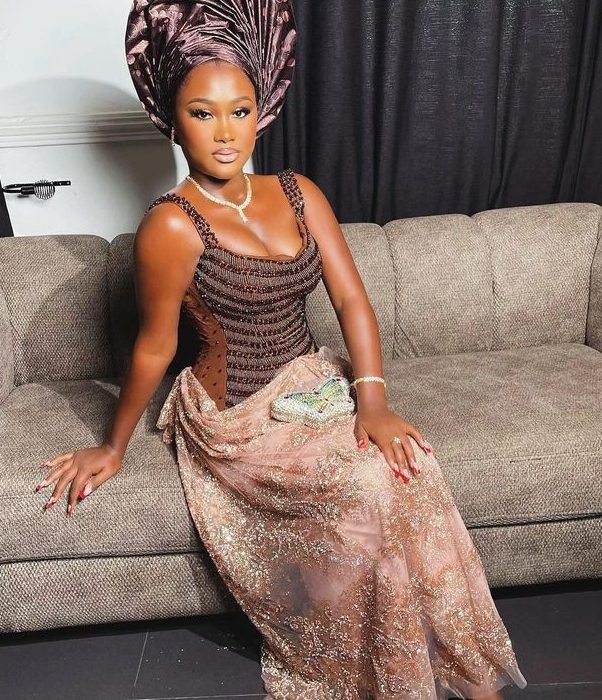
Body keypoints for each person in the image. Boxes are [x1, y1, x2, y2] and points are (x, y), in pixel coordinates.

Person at [35, 1, 529, 698]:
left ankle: (460, 664)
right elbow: (154, 346)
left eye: (240, 111)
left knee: (409, 465)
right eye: (203, 113)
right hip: (236, 416)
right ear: (173, 120)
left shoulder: (299, 192)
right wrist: (112, 446)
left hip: (315, 380)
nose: (225, 132)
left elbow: (351, 300)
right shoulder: (171, 227)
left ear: (260, 111)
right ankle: (383, 670)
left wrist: (374, 402)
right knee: (366, 486)